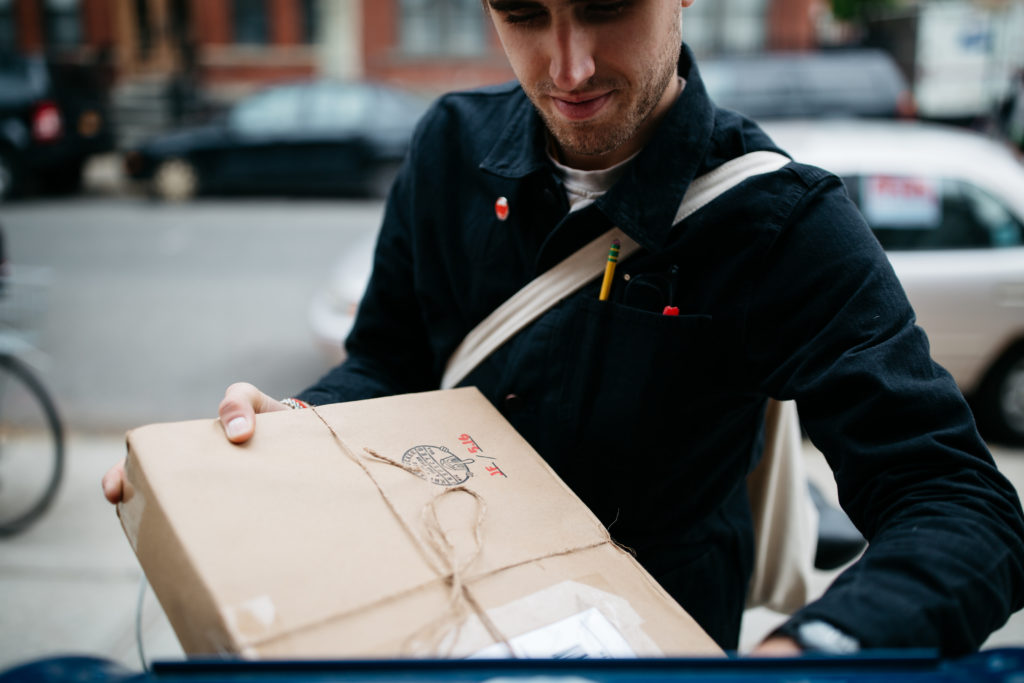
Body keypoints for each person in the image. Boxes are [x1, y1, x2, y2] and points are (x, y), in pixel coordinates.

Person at [103, 0, 1024, 656]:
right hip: (438, 614)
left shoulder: (781, 224)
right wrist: (300, 428)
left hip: (652, 632)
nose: (568, 66)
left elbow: (961, 504)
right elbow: (388, 359)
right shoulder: (450, 147)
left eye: (606, 6)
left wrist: (815, 648)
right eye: (523, 15)